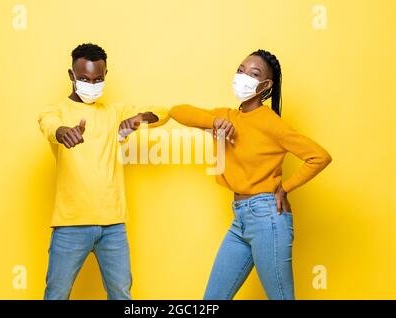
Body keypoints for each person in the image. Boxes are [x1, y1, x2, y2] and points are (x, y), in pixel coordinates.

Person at [169, 49, 332, 300]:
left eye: (253, 74)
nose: (243, 77)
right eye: (240, 70)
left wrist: (284, 188)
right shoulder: (226, 117)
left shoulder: (270, 122)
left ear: (265, 85)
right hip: (240, 220)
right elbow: (178, 111)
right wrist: (213, 123)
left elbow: (319, 156)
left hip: (267, 218)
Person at [38, 43, 169, 300]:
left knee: (121, 294)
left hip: (113, 227)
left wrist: (138, 119)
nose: (92, 83)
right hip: (70, 224)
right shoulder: (56, 111)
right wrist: (64, 132)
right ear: (71, 75)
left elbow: (163, 114)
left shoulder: (114, 111)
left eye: (98, 79)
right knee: (56, 294)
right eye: (84, 78)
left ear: (105, 75)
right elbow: (49, 125)